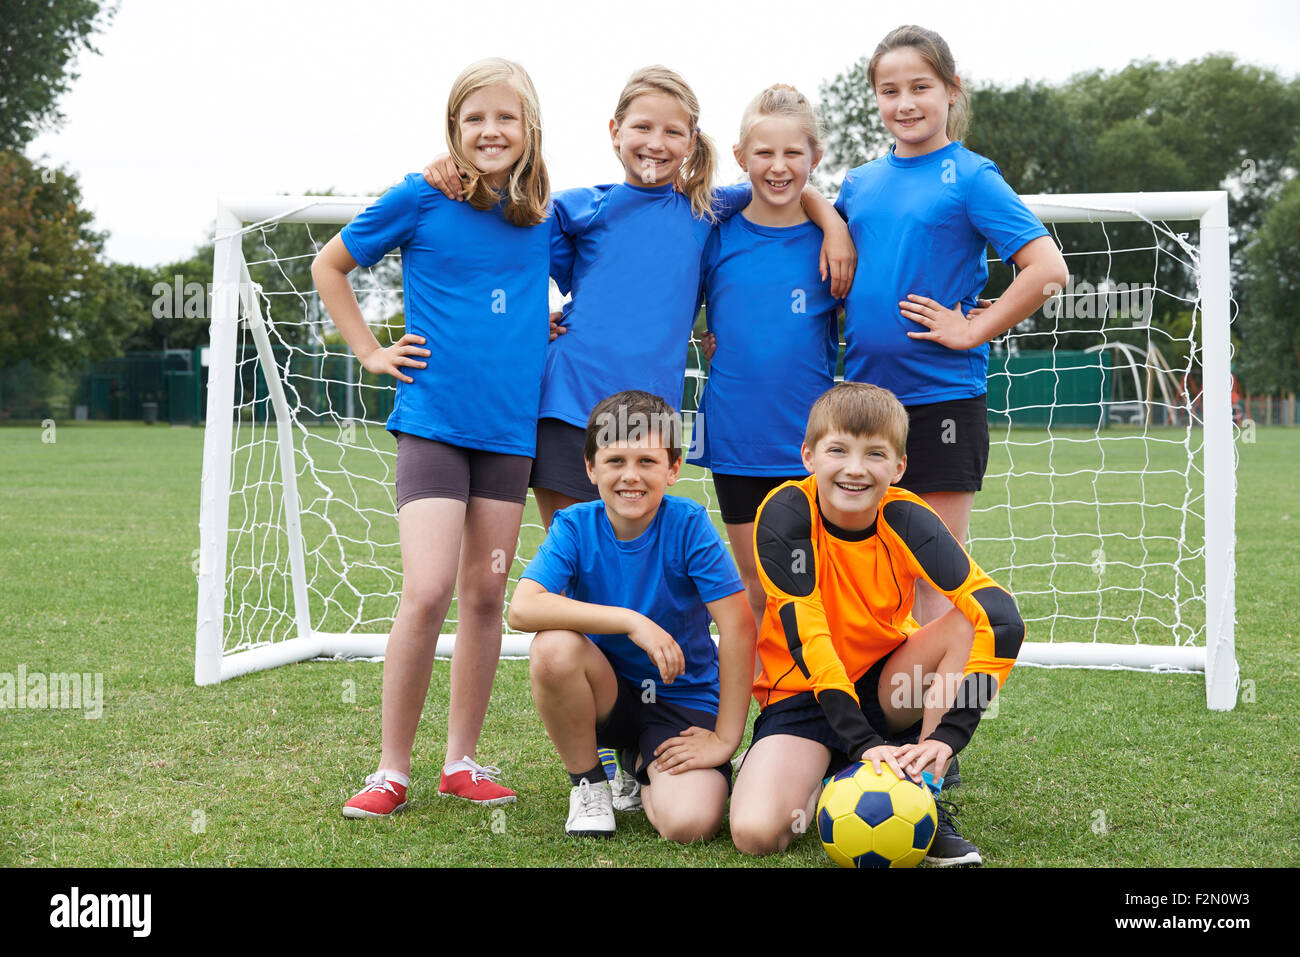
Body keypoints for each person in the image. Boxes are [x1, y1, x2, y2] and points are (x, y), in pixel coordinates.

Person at [423, 65, 855, 529]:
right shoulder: (579, 208)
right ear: (615, 132)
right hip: (571, 407)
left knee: (636, 563)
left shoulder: (705, 208)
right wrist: (452, 166)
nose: (656, 142)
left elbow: (780, 183)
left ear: (691, 143)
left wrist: (833, 225)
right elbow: (500, 241)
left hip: (652, 417)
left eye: (672, 131)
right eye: (643, 127)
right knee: (580, 559)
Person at [311, 58, 551, 817]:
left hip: (509, 432)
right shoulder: (422, 196)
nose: (490, 130)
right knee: (426, 590)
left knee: (485, 593)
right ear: (453, 130)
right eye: (473, 118)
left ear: (529, 128)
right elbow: (331, 265)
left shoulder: (545, 213)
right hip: (435, 425)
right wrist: (371, 352)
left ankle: (461, 761)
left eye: (505, 117)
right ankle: (390, 769)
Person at [729, 382, 1026, 866]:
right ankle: (833, 770)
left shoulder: (908, 517)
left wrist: (948, 738)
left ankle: (924, 788)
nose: (855, 468)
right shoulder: (784, 515)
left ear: (898, 467)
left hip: (889, 687)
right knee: (755, 833)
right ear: (808, 455)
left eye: (875, 454)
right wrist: (861, 743)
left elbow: (1001, 618)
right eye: (838, 450)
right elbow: (811, 638)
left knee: (969, 622)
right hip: (804, 692)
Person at [833, 24, 1069, 625]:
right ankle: (878, 713)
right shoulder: (858, 183)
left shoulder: (971, 176)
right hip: (865, 404)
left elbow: (1047, 270)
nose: (905, 103)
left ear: (951, 91)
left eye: (920, 87)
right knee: (872, 573)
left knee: (936, 572)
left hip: (941, 402)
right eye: (889, 91)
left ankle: (933, 717)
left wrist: (972, 330)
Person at [507, 391, 755, 840]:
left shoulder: (689, 524)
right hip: (610, 696)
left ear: (673, 468)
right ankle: (589, 783)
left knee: (689, 825)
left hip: (681, 699)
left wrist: (725, 738)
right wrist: (630, 620)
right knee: (553, 646)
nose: (630, 476)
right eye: (616, 460)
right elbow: (523, 608)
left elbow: (738, 626)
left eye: (647, 461)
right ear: (591, 468)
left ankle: (640, 762)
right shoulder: (575, 525)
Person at [693, 84, 842, 631]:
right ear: (740, 158)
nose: (778, 167)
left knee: (810, 583)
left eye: (793, 154)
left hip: (811, 441)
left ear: (815, 158)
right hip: (734, 436)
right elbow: (662, 300)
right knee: (755, 584)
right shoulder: (714, 233)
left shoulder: (836, 238)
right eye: (764, 153)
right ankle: (757, 707)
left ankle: (820, 702)